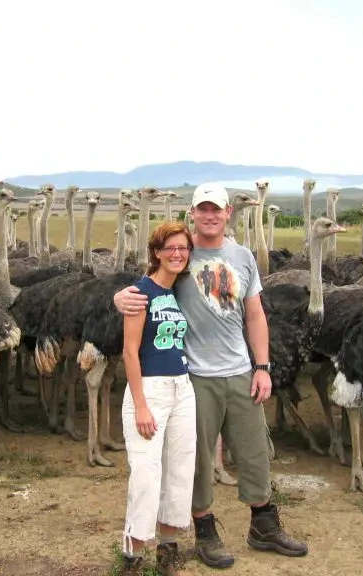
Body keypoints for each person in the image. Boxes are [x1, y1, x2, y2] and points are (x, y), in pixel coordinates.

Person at [114, 183, 308, 569]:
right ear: (192, 214)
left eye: (215, 210)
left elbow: (255, 314)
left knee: (254, 450)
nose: (209, 216)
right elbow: (146, 289)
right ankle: (204, 531)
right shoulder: (181, 254)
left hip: (239, 370)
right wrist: (118, 297)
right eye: (202, 210)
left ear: (227, 214)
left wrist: (262, 366)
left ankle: (263, 525)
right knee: (198, 459)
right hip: (195, 375)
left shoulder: (242, 257)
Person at [120, 220, 197, 576]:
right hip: (150, 388)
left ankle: (168, 549)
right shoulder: (140, 292)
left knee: (180, 469)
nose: (177, 254)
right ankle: (133, 555)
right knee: (146, 473)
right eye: (170, 248)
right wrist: (140, 405)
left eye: (183, 248)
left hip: (182, 386)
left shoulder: (179, 291)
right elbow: (130, 352)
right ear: (156, 252)